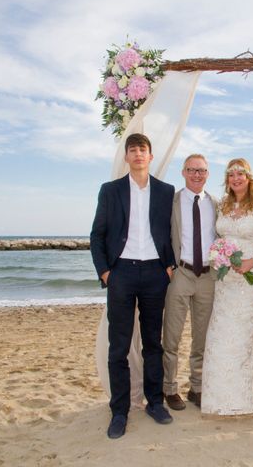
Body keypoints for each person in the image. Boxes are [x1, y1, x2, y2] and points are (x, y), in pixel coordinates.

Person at [90, 133, 176, 439]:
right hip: (121, 274)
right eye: (133, 150)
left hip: (155, 273)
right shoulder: (110, 191)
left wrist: (170, 266)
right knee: (120, 346)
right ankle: (119, 411)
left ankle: (155, 402)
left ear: (151, 156)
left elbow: (174, 231)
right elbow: (97, 235)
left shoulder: (166, 192)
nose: (138, 154)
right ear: (126, 157)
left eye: (143, 149)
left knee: (153, 343)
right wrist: (105, 273)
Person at [200, 158, 253, 415]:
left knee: (240, 339)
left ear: (249, 177)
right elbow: (219, 238)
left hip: (250, 279)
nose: (235, 178)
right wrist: (219, 255)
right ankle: (217, 400)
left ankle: (243, 401)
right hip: (225, 280)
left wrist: (251, 261)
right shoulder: (222, 205)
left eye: (240, 173)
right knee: (218, 336)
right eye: (231, 174)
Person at [162, 154, 217, 411]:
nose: (197, 175)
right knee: (171, 336)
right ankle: (169, 389)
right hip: (180, 274)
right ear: (183, 172)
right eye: (192, 170)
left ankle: (196, 388)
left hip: (208, 276)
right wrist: (167, 265)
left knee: (202, 338)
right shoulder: (170, 201)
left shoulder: (216, 204)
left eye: (202, 170)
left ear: (208, 174)